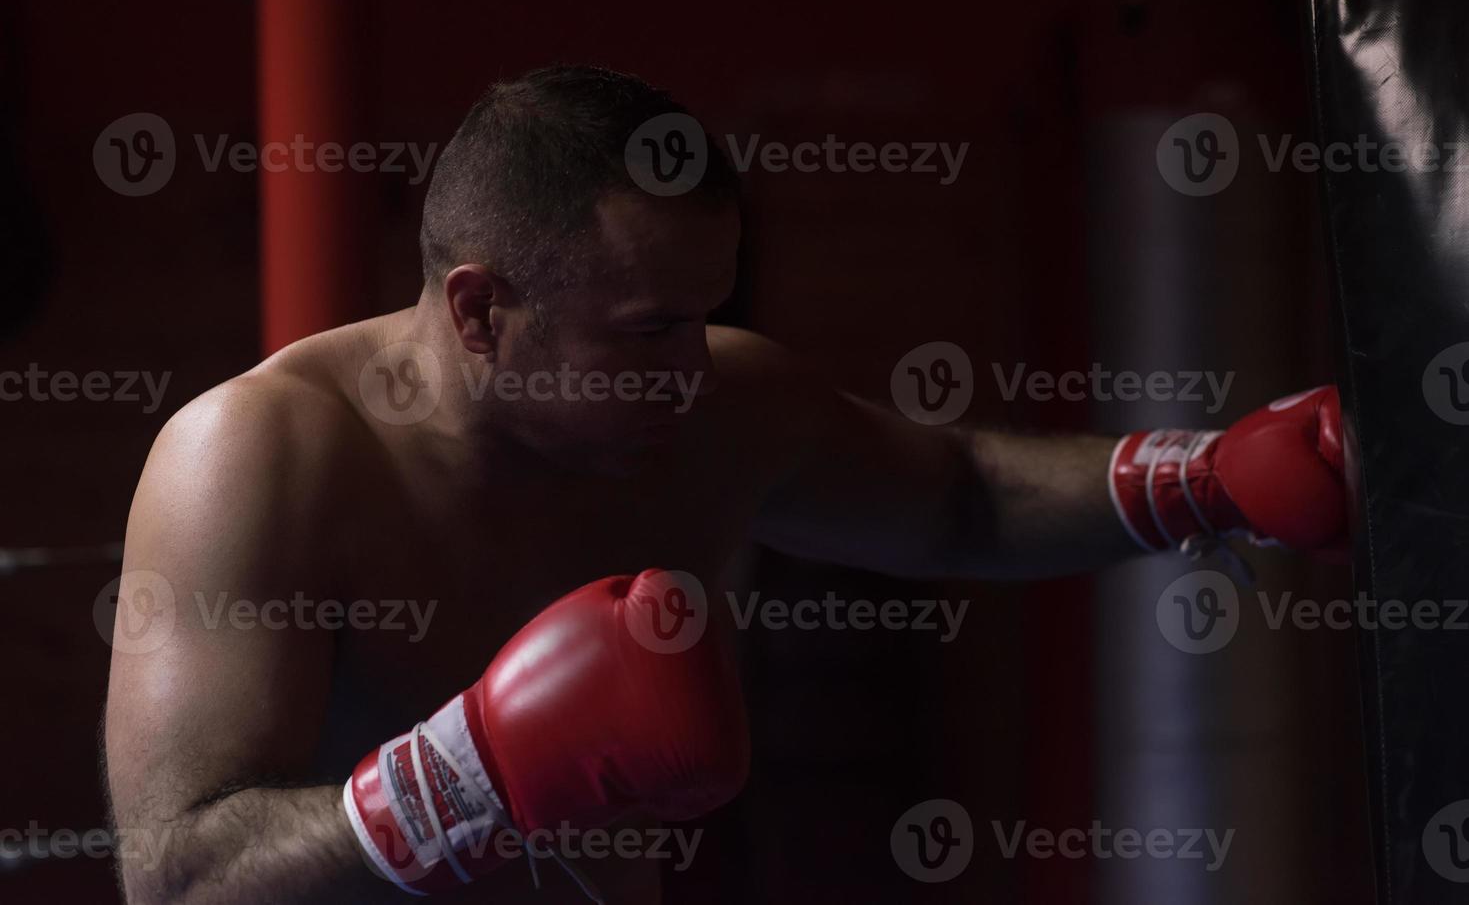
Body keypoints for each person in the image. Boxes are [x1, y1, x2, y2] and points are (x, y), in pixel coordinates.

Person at [103, 65, 1346, 904]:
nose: (693, 370)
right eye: (646, 329)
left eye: (705, 318)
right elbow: (177, 870)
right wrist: (469, 769)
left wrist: (1198, 478)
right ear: (481, 310)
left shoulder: (713, 409)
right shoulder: (262, 457)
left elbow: (959, 492)